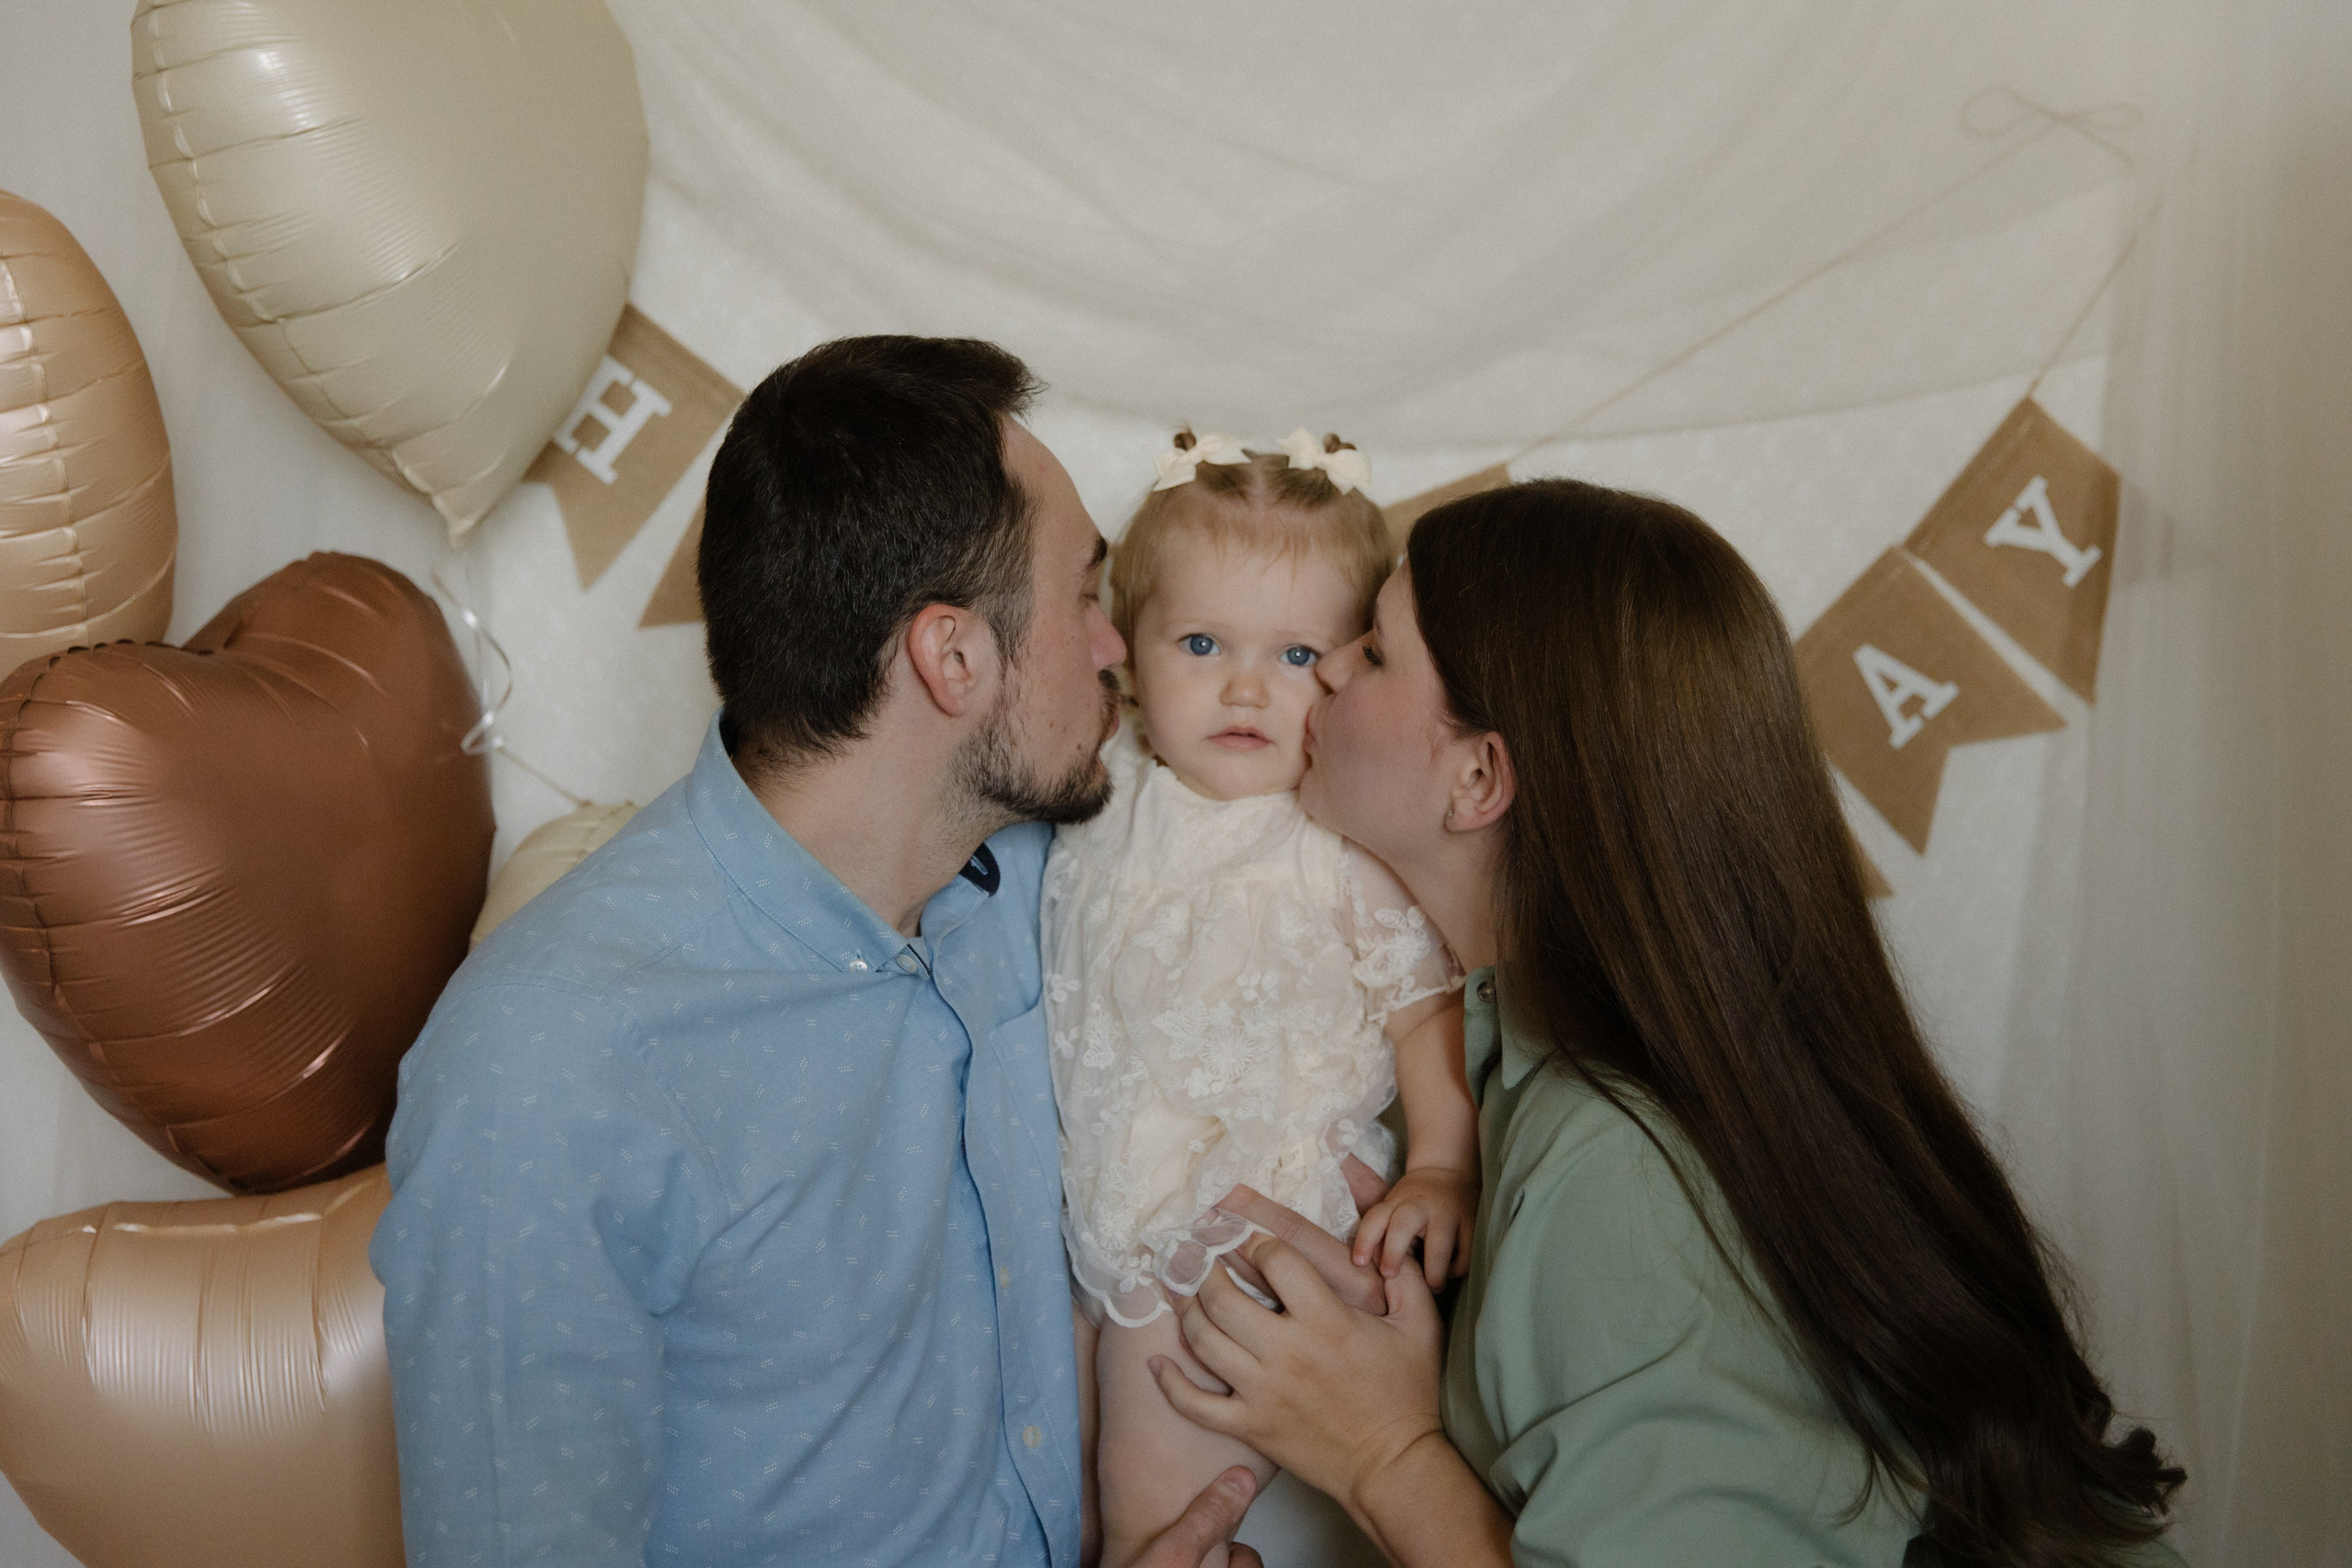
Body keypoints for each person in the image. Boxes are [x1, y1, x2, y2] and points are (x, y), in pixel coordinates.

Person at [1148, 479, 2190, 1566]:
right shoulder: (1536, 1072)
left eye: (1373, 650)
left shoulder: (1617, 1172)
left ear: (1475, 776)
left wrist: (1384, 1452)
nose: (1323, 677)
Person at [369, 336, 1271, 1568]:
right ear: (950, 657)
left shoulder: (1043, 879)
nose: (1118, 648)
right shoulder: (548, 1072)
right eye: (1083, 594)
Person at [1046, 430, 1476, 1567]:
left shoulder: (1333, 839)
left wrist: (1437, 1162)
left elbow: (1423, 1006)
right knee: (1071, 1509)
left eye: (1295, 656)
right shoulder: (1106, 789)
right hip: (1098, 1226)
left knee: (1164, 1520)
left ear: (1347, 666)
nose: (1245, 688)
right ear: (1125, 650)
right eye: (1200, 643)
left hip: (1244, 1241)